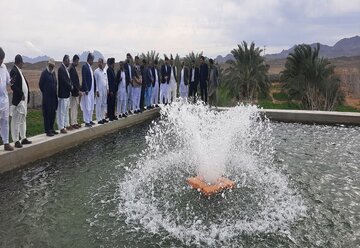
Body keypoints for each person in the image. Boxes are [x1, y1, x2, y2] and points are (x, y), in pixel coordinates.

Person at [10, 54, 31, 148]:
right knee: (16, 121)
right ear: (19, 62)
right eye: (22, 62)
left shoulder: (19, 71)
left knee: (23, 119)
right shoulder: (14, 71)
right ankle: (16, 140)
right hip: (19, 100)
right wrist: (21, 94)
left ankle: (23, 138)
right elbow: (12, 85)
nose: (23, 64)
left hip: (23, 101)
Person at [39, 58, 58, 137]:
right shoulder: (44, 73)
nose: (51, 67)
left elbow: (55, 83)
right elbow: (40, 84)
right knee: (47, 113)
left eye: (52, 66)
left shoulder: (53, 73)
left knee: (52, 113)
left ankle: (51, 128)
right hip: (47, 97)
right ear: (48, 65)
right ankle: (48, 130)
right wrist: (45, 92)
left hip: (53, 97)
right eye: (50, 65)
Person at [0, 48, 14, 151]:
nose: (1, 61)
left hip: (4, 101)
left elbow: (7, 81)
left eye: (2, 59)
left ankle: (6, 143)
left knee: (5, 122)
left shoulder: (4, 67)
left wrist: (11, 81)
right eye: (0, 59)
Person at [57, 55, 73, 134]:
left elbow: (68, 80)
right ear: (65, 60)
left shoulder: (65, 69)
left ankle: (66, 124)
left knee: (66, 110)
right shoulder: (61, 69)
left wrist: (70, 86)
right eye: (68, 60)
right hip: (63, 94)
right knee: (62, 111)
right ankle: (61, 127)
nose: (69, 62)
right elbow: (63, 81)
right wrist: (70, 87)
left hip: (67, 94)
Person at [80, 53, 95, 127]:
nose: (93, 61)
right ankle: (86, 121)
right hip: (87, 90)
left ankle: (90, 119)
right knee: (87, 106)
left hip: (91, 90)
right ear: (89, 59)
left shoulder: (90, 67)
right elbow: (84, 79)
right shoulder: (85, 67)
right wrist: (86, 89)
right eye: (92, 60)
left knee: (91, 105)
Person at [94, 58, 108, 124]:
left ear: (102, 63)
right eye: (98, 62)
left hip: (104, 90)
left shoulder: (105, 70)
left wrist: (107, 89)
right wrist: (97, 90)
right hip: (99, 91)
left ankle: (103, 117)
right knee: (98, 105)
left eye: (100, 62)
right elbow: (95, 82)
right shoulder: (96, 71)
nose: (99, 63)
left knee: (103, 104)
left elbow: (106, 80)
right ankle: (98, 119)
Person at [69, 54, 81, 129]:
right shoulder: (72, 69)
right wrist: (77, 90)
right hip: (74, 92)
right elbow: (73, 82)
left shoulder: (73, 68)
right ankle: (73, 123)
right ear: (75, 60)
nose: (78, 63)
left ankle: (75, 122)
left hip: (75, 92)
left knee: (75, 107)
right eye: (77, 61)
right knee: (73, 107)